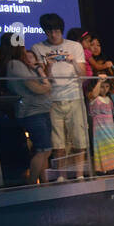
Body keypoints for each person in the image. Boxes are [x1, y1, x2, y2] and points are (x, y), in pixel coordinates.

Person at [31, 14, 88, 181]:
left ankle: (79, 174)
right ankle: (61, 176)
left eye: (56, 31)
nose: (53, 35)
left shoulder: (75, 46)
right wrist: (49, 65)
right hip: (52, 99)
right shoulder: (38, 47)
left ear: (61, 30)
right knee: (58, 142)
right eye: (49, 31)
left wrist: (73, 62)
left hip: (74, 96)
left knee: (79, 139)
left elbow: (83, 75)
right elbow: (44, 79)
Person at [1, 42, 52, 185]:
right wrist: (46, 86)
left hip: (42, 110)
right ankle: (31, 184)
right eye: (22, 47)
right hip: (31, 112)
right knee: (43, 149)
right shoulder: (14, 64)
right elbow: (36, 87)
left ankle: (44, 182)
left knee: (45, 150)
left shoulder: (25, 66)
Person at [86, 73, 114, 174]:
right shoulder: (94, 98)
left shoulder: (109, 99)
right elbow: (93, 94)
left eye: (107, 86)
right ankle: (103, 170)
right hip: (100, 130)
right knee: (102, 149)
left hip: (111, 130)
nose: (104, 89)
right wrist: (99, 81)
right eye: (102, 87)